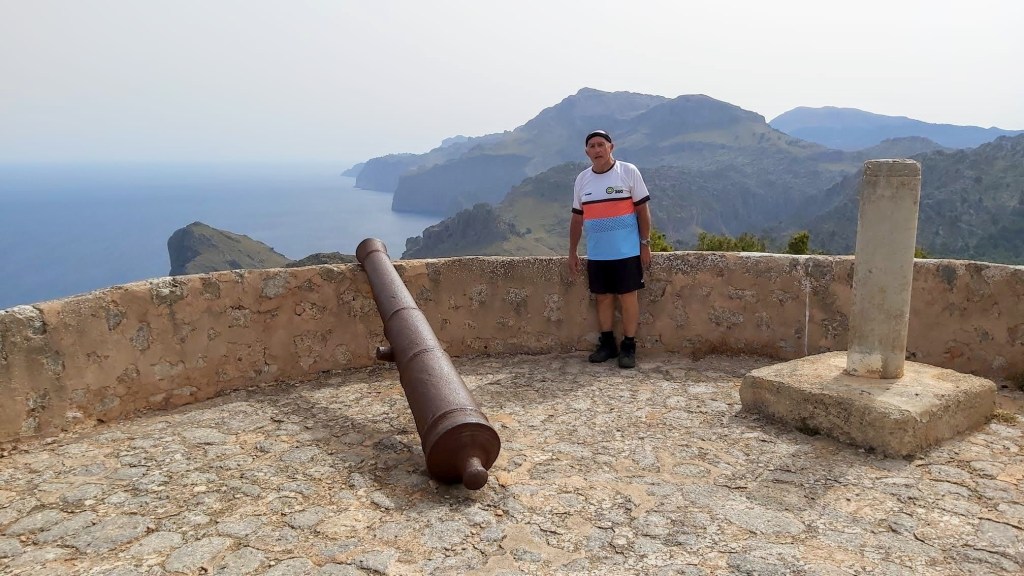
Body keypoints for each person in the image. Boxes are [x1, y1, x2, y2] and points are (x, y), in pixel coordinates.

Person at [568, 130, 652, 369]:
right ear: (587, 152)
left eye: (601, 145)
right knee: (603, 299)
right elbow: (576, 219)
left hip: (627, 252)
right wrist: (572, 252)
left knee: (628, 298)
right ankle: (607, 344)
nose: (597, 150)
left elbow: (642, 211)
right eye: (592, 146)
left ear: (611, 147)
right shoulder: (582, 180)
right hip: (597, 253)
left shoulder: (628, 172)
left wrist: (645, 243)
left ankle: (629, 346)